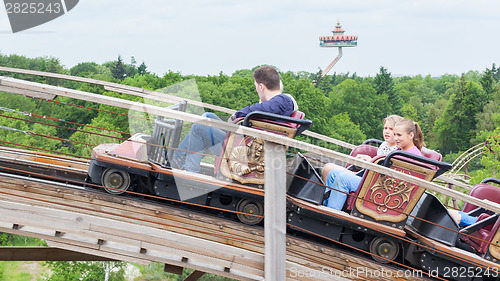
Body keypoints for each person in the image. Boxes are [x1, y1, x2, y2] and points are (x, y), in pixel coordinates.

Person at [172, 65, 296, 173]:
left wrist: (236, 115)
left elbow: (257, 110)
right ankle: (178, 160)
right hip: (246, 145)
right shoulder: (280, 103)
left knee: (199, 127)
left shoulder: (282, 100)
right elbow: (263, 110)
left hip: (244, 154)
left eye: (256, 87)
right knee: (208, 116)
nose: (257, 90)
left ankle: (188, 170)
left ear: (262, 87)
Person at [323, 117, 425, 211]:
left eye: (399, 135)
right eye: (395, 134)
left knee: (343, 178)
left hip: (384, 190)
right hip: (378, 182)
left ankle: (332, 213)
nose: (396, 138)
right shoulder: (399, 150)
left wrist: (372, 163)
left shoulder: (412, 155)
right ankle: (325, 207)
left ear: (411, 135)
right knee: (333, 173)